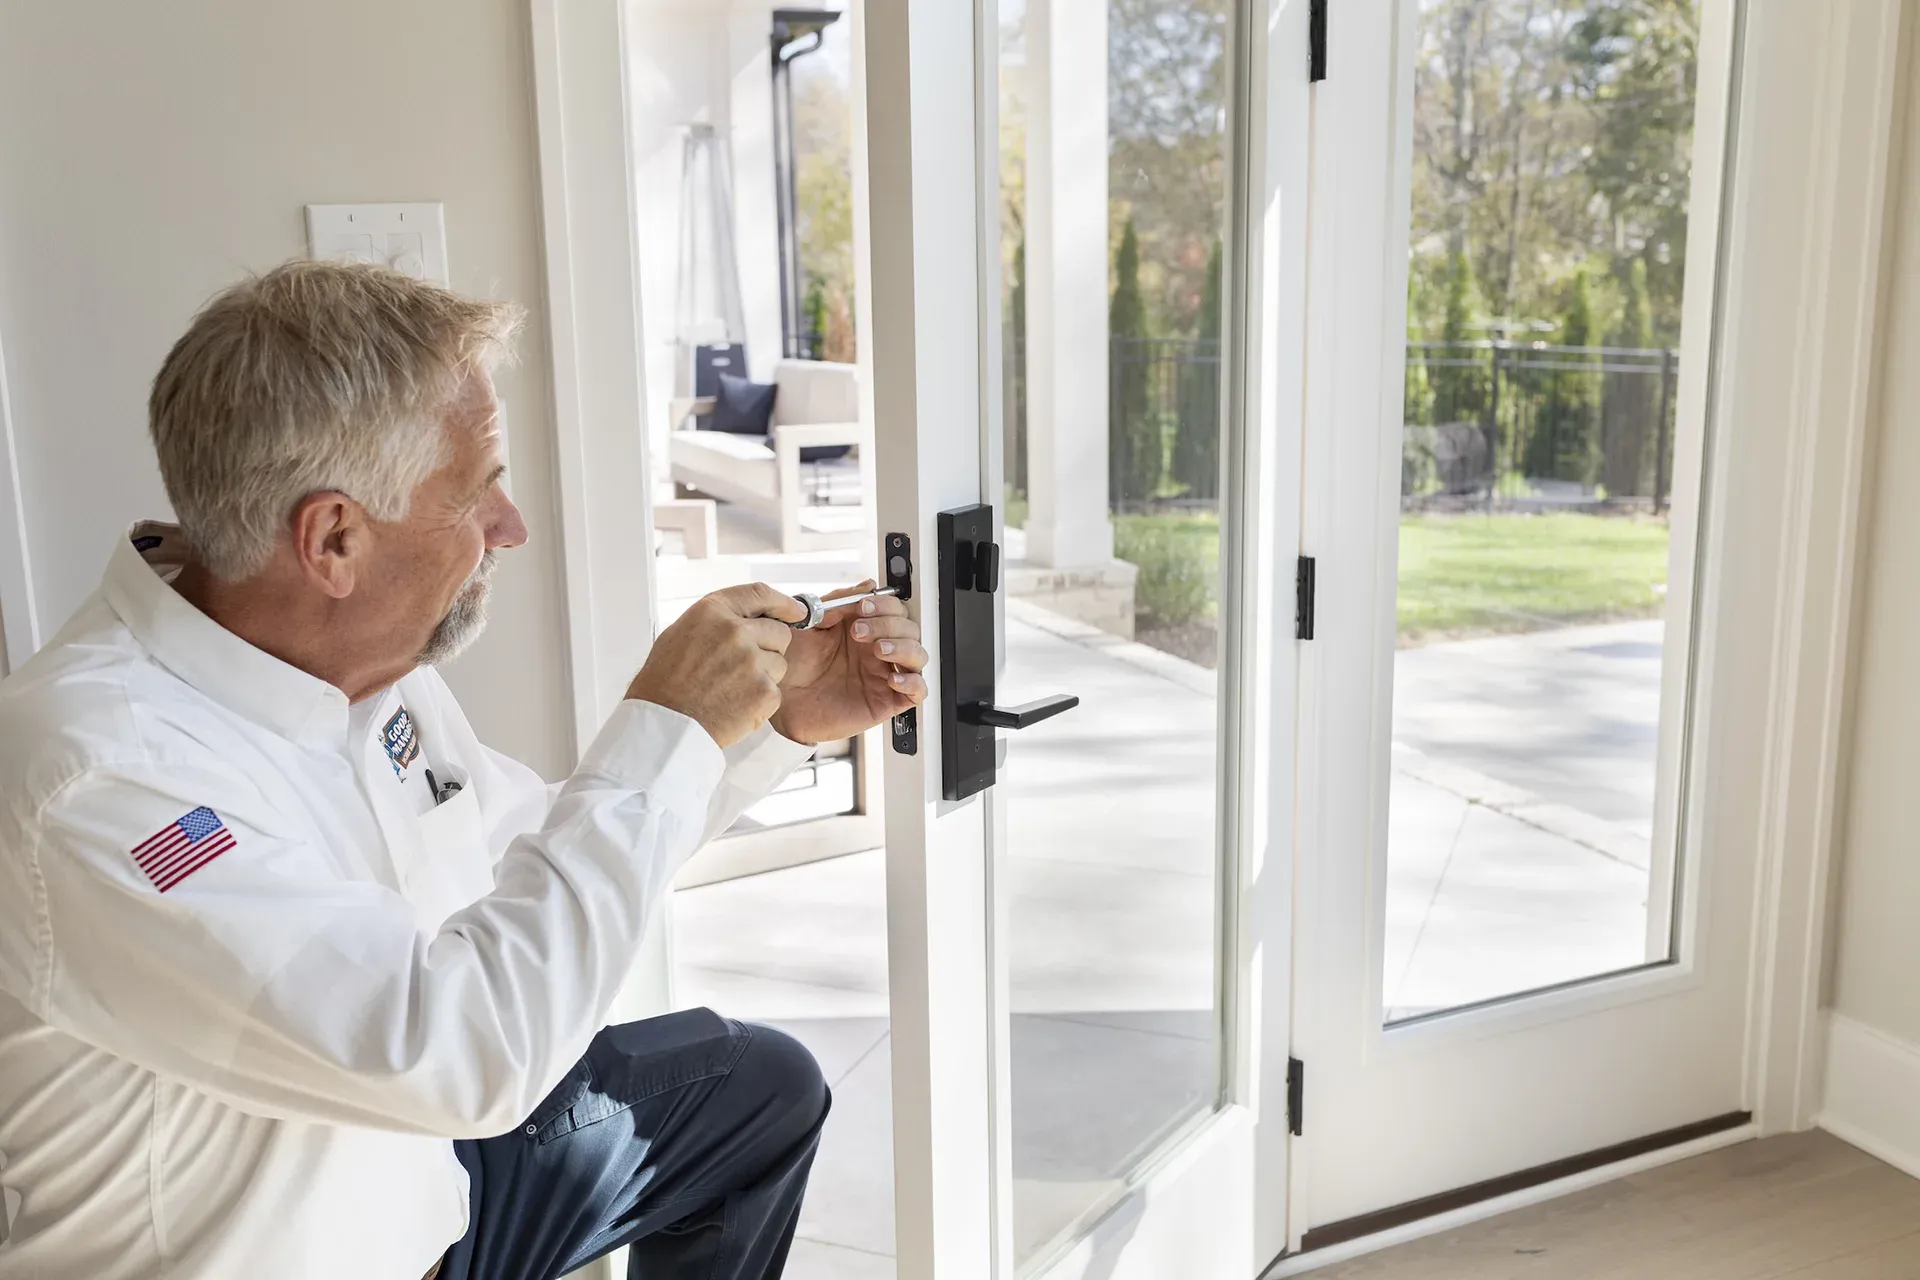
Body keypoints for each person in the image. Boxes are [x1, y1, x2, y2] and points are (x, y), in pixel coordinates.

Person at [0, 261, 928, 1280]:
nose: (510, 526)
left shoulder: (358, 667)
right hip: (299, 1230)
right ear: (334, 538)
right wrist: (663, 724)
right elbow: (464, 1051)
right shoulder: (98, 775)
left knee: (760, 1087)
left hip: (429, 1191)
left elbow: (536, 847)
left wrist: (765, 727)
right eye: (480, 487)